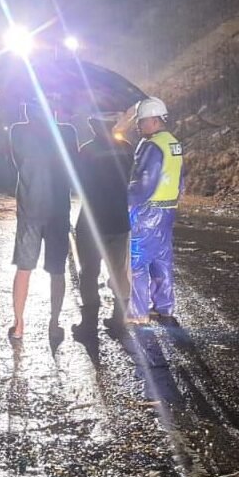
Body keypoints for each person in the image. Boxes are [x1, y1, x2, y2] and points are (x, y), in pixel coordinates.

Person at [9, 102, 78, 341]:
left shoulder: (18, 131)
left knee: (24, 267)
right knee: (57, 270)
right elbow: (73, 166)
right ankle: (55, 320)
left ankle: (18, 324)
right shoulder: (68, 132)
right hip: (58, 209)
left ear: (29, 112)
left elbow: (18, 162)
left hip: (30, 209)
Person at [71, 115, 135, 340]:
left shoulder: (86, 150)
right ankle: (118, 321)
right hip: (118, 220)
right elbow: (131, 178)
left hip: (92, 221)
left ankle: (88, 325)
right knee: (118, 271)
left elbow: (76, 183)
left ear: (94, 127)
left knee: (89, 272)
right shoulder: (126, 149)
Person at [127, 97, 183, 326]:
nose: (138, 126)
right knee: (162, 259)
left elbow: (145, 182)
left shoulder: (151, 146)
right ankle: (164, 305)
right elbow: (180, 178)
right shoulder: (173, 143)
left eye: (141, 121)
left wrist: (127, 198)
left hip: (148, 210)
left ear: (153, 120)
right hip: (167, 209)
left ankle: (138, 311)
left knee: (137, 261)